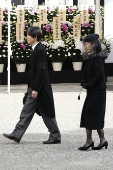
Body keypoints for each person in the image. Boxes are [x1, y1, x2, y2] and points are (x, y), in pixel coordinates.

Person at [3, 26, 61, 144]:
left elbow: (41, 71)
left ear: (35, 37)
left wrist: (36, 89)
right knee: (26, 111)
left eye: (28, 35)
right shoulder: (36, 49)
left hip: (40, 88)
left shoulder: (40, 50)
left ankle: (55, 135)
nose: (27, 37)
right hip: (33, 87)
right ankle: (16, 134)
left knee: (46, 112)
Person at [78, 34, 108, 150]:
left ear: (93, 44)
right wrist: (85, 81)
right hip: (93, 90)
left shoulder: (97, 58)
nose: (85, 46)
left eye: (87, 44)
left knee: (90, 114)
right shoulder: (92, 57)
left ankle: (90, 140)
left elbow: (100, 76)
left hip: (98, 91)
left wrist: (88, 84)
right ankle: (102, 140)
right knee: (93, 114)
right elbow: (92, 74)